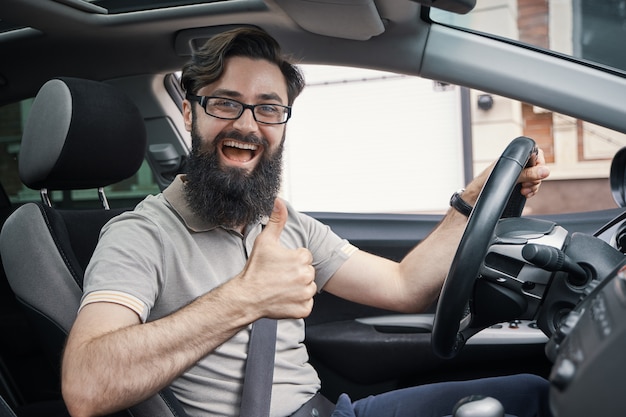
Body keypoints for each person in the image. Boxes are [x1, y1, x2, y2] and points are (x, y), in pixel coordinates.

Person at [60, 27, 552, 417]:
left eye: (269, 109)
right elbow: (86, 386)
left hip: (331, 411)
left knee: (533, 396)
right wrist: (246, 298)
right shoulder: (139, 235)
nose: (248, 125)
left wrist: (469, 202)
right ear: (190, 111)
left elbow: (405, 287)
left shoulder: (282, 220)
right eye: (226, 102)